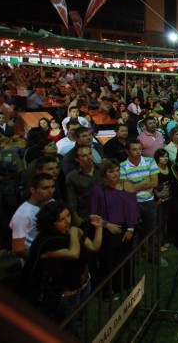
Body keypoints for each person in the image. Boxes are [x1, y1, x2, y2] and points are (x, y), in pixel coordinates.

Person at [23, 200, 102, 334]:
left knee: (78, 320)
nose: (67, 221)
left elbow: (94, 247)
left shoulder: (73, 231)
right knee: (68, 327)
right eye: (61, 219)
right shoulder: (46, 242)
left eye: (68, 216)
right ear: (50, 223)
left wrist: (99, 227)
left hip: (83, 285)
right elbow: (74, 253)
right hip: (66, 293)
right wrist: (73, 234)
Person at [88, 159, 138, 300]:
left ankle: (127, 285)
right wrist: (106, 224)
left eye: (117, 170)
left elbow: (133, 210)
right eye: (111, 172)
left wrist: (130, 229)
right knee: (108, 262)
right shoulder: (98, 190)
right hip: (106, 231)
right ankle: (109, 289)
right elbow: (92, 214)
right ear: (104, 174)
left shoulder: (126, 186)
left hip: (124, 229)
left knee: (126, 260)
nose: (116, 174)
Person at [120, 139, 167, 267]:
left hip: (149, 202)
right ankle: (134, 260)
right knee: (133, 234)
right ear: (127, 151)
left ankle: (154, 257)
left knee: (152, 231)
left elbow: (154, 183)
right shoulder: (122, 166)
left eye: (140, 149)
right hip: (132, 205)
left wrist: (134, 187)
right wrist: (145, 182)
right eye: (134, 149)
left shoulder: (149, 161)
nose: (138, 152)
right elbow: (125, 189)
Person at [10, 173, 56, 263]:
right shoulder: (23, 215)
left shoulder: (51, 202)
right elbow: (18, 249)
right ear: (32, 189)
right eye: (45, 188)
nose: (51, 191)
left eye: (53, 187)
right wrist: (37, 260)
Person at [153, 148, 173, 252]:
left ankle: (165, 240)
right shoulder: (154, 169)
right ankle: (158, 243)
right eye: (162, 156)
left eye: (166, 156)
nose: (165, 158)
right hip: (159, 200)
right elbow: (152, 186)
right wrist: (156, 198)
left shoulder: (169, 166)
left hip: (169, 198)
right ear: (157, 158)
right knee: (159, 222)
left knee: (166, 220)